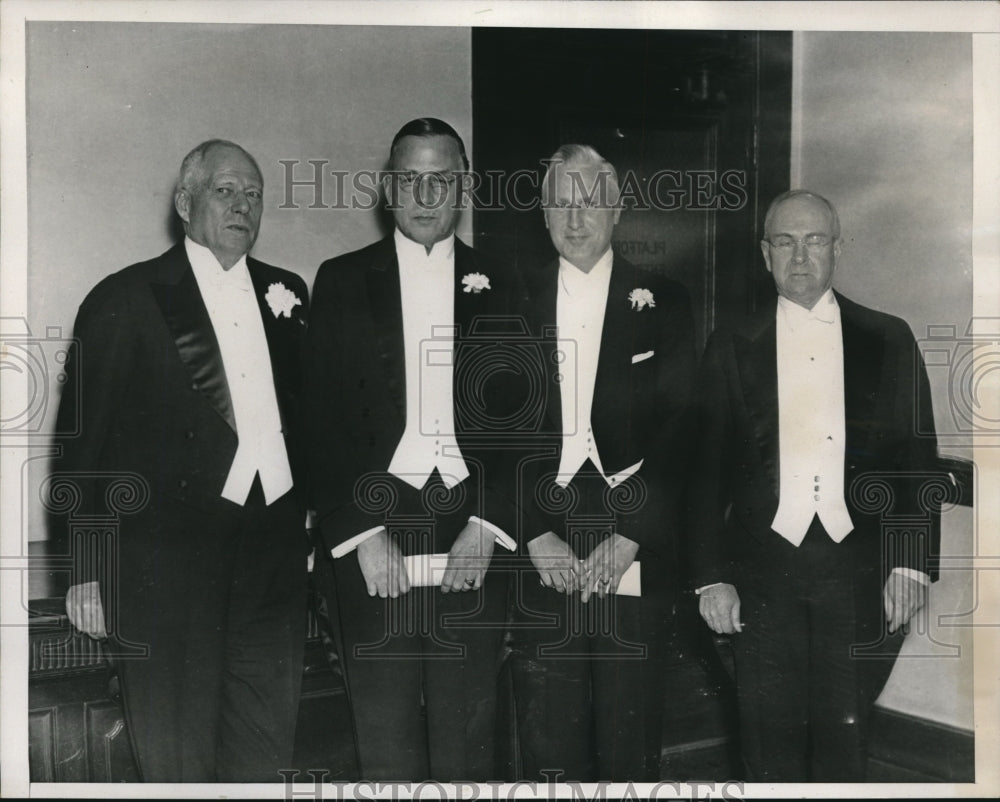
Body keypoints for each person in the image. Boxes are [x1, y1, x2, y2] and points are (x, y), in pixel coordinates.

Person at [55, 139, 310, 782]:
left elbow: (309, 423)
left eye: (253, 193)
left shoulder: (289, 292)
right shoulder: (125, 297)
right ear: (184, 202)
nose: (242, 205)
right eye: (226, 190)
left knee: (264, 752)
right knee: (177, 762)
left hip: (271, 568)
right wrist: (85, 570)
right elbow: (81, 450)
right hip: (166, 570)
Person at [689, 189, 942, 781]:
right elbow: (702, 473)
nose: (800, 257)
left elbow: (917, 462)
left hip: (858, 575)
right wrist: (710, 577)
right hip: (760, 575)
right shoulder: (730, 342)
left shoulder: (889, 338)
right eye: (784, 241)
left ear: (837, 249)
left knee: (843, 748)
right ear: (764, 253)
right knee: (764, 742)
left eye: (815, 241)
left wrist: (909, 566)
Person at [304, 118, 523, 780]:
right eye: (411, 179)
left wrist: (488, 526)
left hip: (472, 526)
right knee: (384, 740)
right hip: (377, 528)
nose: (426, 196)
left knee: (468, 738)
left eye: (442, 179)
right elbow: (317, 418)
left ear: (465, 187)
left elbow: (530, 420)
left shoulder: (505, 281)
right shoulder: (341, 280)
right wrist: (361, 532)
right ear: (387, 188)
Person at [508, 144, 696, 781]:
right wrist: (533, 532)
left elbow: (681, 434)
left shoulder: (665, 300)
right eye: (561, 202)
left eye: (589, 201)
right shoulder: (508, 300)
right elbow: (485, 430)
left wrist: (631, 537)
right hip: (541, 527)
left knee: (628, 725)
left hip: (631, 527)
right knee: (547, 732)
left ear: (616, 210)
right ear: (543, 212)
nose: (576, 217)